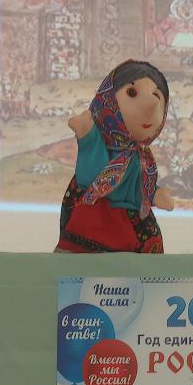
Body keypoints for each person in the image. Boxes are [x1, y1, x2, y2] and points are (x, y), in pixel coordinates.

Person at [56, 59, 174, 253]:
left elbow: (137, 188)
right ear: (108, 100)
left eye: (157, 95)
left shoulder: (142, 157)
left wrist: (154, 194)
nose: (152, 103)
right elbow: (89, 177)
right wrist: (87, 134)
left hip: (132, 220)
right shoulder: (102, 145)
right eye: (132, 92)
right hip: (98, 217)